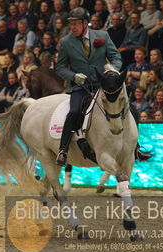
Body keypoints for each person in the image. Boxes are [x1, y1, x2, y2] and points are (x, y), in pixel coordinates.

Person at [55, 7, 150, 166]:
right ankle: (63, 150)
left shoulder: (102, 36)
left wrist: (113, 69)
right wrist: (73, 76)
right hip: (81, 88)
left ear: (85, 23)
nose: (72, 27)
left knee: (131, 110)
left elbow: (116, 57)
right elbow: (60, 67)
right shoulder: (66, 42)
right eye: (70, 24)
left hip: (103, 85)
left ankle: (136, 148)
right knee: (73, 112)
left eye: (76, 23)